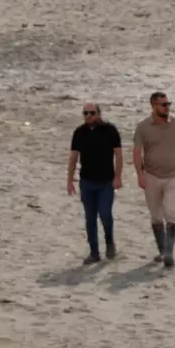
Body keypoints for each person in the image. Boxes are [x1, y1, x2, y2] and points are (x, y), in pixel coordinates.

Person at [132, 91, 175, 268]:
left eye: (168, 104)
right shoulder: (143, 127)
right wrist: (140, 174)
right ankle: (162, 250)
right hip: (152, 176)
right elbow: (137, 152)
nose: (167, 107)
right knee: (156, 216)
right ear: (153, 106)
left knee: (171, 212)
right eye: (163, 105)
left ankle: (169, 253)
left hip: (174, 175)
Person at [67, 103, 123, 264]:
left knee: (105, 214)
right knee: (90, 218)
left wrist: (118, 176)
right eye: (85, 113)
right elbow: (73, 157)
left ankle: (110, 242)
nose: (88, 116)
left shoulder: (110, 130)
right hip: (87, 181)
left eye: (92, 113)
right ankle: (94, 252)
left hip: (106, 181)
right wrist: (69, 180)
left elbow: (118, 155)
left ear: (99, 113)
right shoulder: (79, 132)